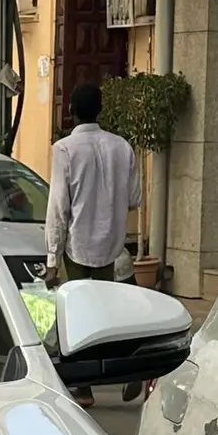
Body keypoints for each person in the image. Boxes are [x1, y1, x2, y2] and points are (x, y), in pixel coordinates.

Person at [44, 80, 141, 284]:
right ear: (100, 110)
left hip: (77, 250)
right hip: (111, 251)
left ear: (71, 110)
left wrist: (52, 260)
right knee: (104, 302)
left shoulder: (64, 149)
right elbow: (133, 199)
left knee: (76, 302)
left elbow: (58, 208)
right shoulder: (123, 147)